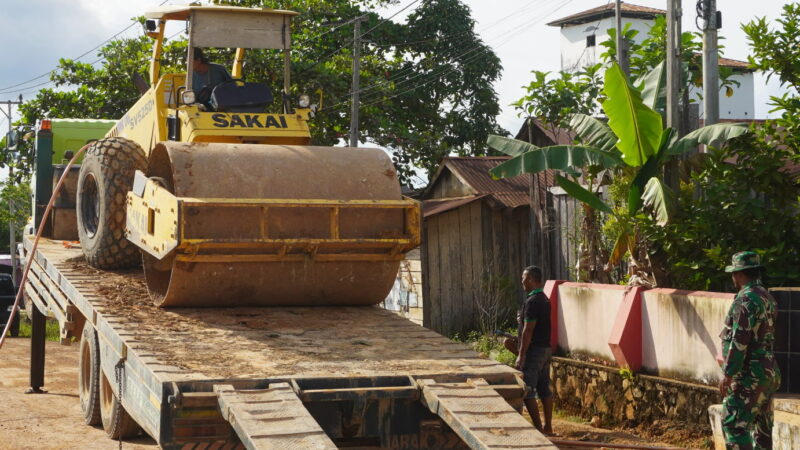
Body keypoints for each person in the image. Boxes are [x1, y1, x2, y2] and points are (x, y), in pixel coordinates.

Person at [719, 251, 781, 450]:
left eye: (734, 273)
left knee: (734, 424)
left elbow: (739, 341)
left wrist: (728, 374)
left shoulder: (745, 301)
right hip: (769, 372)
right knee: (762, 430)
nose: (733, 278)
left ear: (740, 274)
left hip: (750, 376)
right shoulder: (767, 298)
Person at [503, 266, 553, 434]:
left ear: (531, 279)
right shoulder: (544, 299)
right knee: (544, 389)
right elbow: (536, 325)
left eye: (524, 278)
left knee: (528, 391)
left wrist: (521, 355)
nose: (522, 282)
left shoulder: (531, 302)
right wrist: (521, 321)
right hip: (545, 350)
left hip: (534, 351)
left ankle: (538, 429)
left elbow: (529, 330)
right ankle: (548, 427)